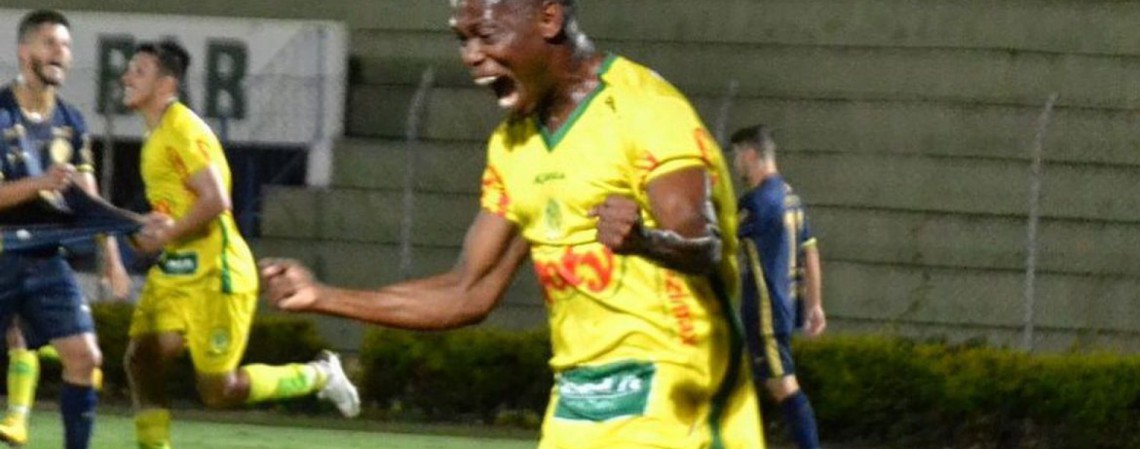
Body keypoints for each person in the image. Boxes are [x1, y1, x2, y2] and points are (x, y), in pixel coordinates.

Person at [261, 0, 765, 447]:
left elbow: (703, 245)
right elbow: (467, 291)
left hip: (677, 398)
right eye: (462, 40)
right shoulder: (513, 145)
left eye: (486, 34)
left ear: (549, 18)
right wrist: (322, 296)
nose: (471, 55)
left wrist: (645, 241)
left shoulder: (645, 109)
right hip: (578, 405)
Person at [120, 39, 360, 449]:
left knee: (219, 390)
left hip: (217, 273)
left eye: (138, 71)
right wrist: (148, 235)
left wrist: (167, 233)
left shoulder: (182, 128)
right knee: (142, 357)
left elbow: (216, 200)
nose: (126, 77)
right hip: (178, 268)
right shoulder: (155, 135)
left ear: (166, 84)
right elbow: (173, 212)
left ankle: (319, 374)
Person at [0, 9, 133, 449]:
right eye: (50, 43)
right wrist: (40, 182)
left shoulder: (72, 122)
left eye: (66, 46)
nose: (61, 53)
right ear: (25, 52)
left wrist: (111, 258)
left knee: (85, 358)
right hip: (2, 253)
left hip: (46, 258)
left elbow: (87, 197)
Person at [729, 124, 825, 449]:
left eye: (737, 156)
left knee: (783, 385)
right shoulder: (790, 197)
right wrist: (814, 304)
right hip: (784, 307)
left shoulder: (756, 203)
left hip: (765, 311)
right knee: (754, 381)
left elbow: (720, 242)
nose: (736, 164)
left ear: (750, 155)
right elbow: (810, 251)